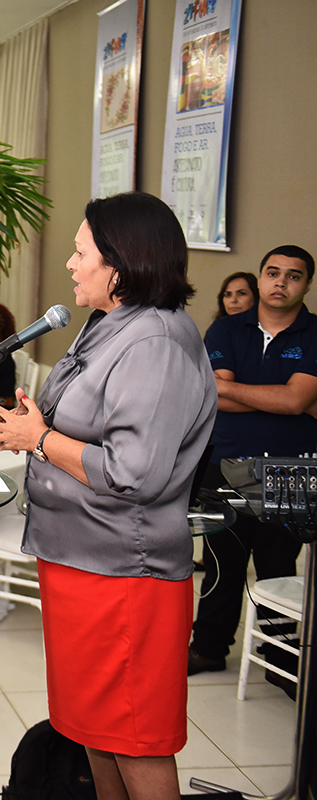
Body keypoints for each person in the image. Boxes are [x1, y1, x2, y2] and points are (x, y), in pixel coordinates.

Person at [0, 192, 216, 800]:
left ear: (120, 263)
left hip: (123, 574)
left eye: (80, 252)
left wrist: (43, 437)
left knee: (135, 739)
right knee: (94, 731)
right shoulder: (110, 324)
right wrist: (29, 429)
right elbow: (86, 427)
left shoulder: (155, 342)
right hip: (80, 562)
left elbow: (136, 472)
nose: (71, 264)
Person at [188, 245, 317, 696]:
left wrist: (236, 390)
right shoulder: (225, 327)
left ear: (306, 284)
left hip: (290, 471)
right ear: (261, 278)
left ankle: (280, 660)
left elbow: (296, 400)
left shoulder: (315, 334)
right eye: (273, 273)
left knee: (278, 567)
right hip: (228, 463)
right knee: (222, 564)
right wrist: (278, 397)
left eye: (294, 276)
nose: (281, 282)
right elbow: (213, 395)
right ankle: (208, 647)